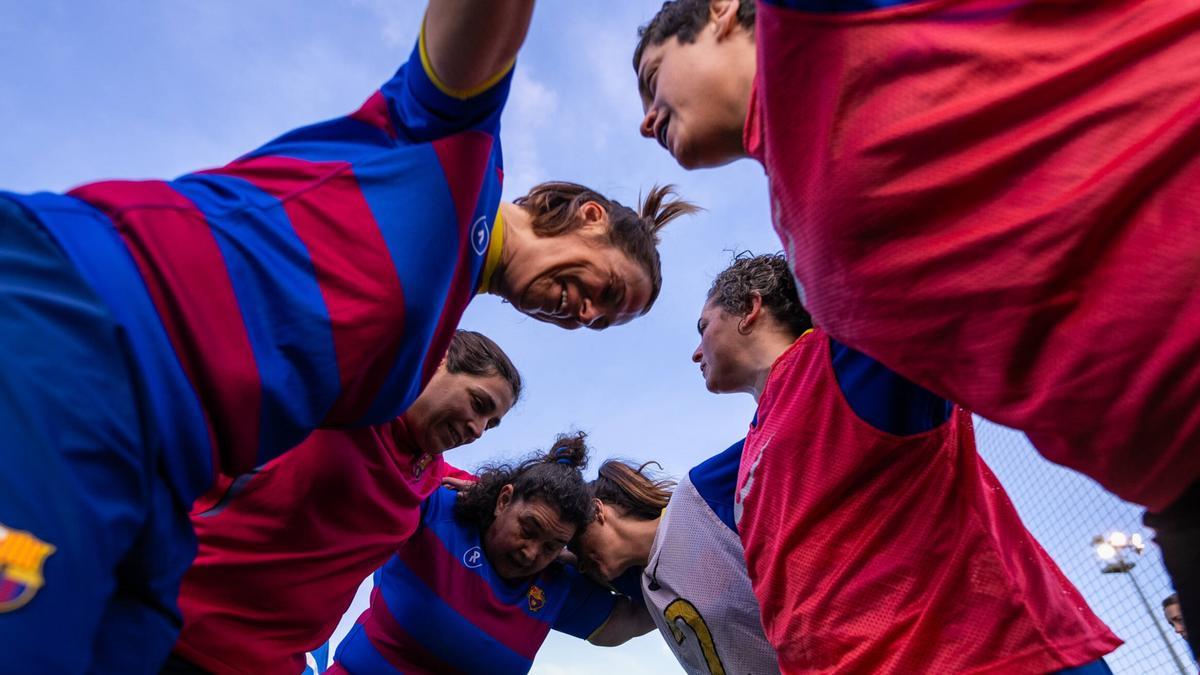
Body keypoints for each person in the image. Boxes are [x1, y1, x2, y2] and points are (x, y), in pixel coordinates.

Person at [0, 3, 699, 670]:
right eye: (607, 291)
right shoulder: (455, 154)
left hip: (162, 479)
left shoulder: (405, 364)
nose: (586, 314)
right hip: (93, 329)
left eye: (602, 322)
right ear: (587, 217)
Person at [630, 0, 1200, 654]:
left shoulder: (814, 36)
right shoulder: (816, 254)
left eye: (653, 79)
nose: (646, 121)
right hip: (1175, 491)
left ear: (724, 12)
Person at [696, 252, 1118, 673]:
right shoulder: (755, 441)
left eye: (704, 327)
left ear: (750, 309)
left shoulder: (844, 358)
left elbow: (918, 265)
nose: (697, 353)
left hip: (984, 658)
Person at [160, 330, 517, 674]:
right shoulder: (345, 398)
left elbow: (525, 502)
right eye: (479, 404)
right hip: (173, 631)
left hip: (268, 666)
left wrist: (568, 536)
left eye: (492, 423)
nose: (478, 430)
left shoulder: (433, 474)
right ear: (437, 361)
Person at [330, 434, 653, 674]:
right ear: (503, 501)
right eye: (528, 529)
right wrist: (472, 485)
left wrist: (631, 563)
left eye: (552, 545)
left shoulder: (557, 581)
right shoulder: (441, 508)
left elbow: (629, 621)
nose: (531, 553)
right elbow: (397, 455)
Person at [573, 453, 781, 675]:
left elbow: (775, 438)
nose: (581, 562)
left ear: (597, 510)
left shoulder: (699, 494)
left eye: (575, 542)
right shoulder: (645, 586)